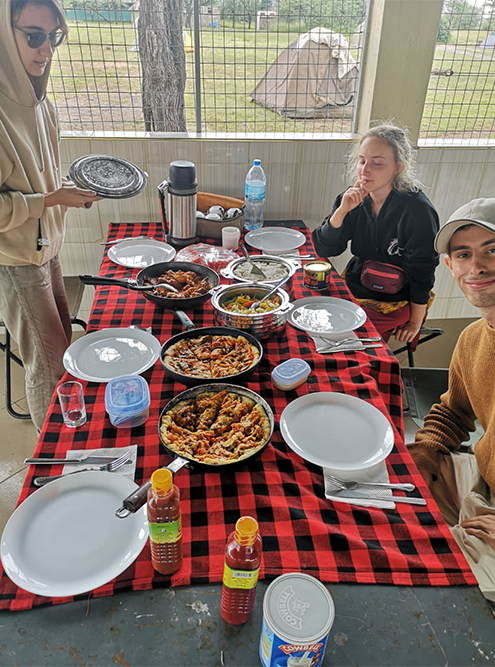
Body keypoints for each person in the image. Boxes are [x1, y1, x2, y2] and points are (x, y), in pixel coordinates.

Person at [0, 0, 101, 431]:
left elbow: (43, 175)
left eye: (53, 37)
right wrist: (51, 201)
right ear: (6, 33)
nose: (46, 50)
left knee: (66, 351)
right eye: (33, 36)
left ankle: (69, 440)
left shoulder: (40, 100)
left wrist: (66, 192)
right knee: (49, 367)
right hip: (18, 260)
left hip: (48, 248)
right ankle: (53, 469)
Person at [407, 198, 495, 602]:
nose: (477, 267)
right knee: (380, 491)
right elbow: (452, 412)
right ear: (450, 267)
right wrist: (421, 460)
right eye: (464, 254)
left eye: (492, 250)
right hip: (481, 480)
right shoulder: (474, 339)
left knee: (429, 582)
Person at [312, 123, 440, 345]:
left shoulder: (417, 210)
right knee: (311, 311)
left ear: (398, 167)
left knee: (345, 337)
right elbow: (324, 249)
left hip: (397, 298)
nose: (365, 170)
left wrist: (415, 322)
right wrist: (342, 212)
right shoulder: (352, 199)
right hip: (357, 283)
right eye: (362, 161)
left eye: (377, 163)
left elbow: (423, 271)